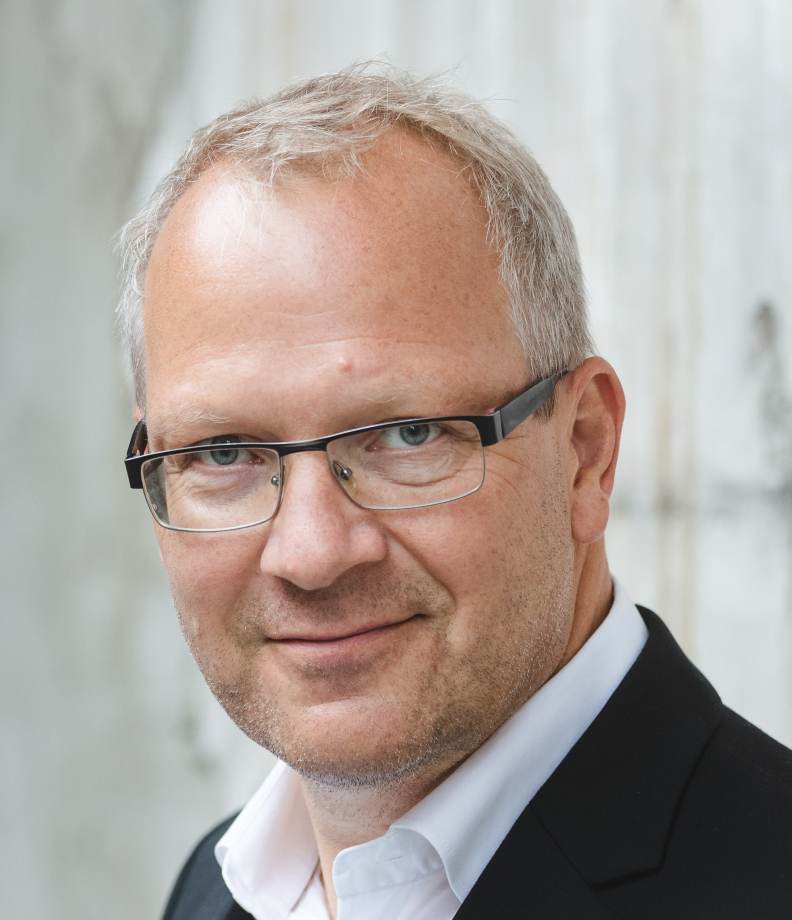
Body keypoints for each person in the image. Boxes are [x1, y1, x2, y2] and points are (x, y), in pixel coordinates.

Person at [118, 65, 792, 920]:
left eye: (408, 434)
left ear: (585, 451)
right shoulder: (215, 888)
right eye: (223, 453)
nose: (312, 555)